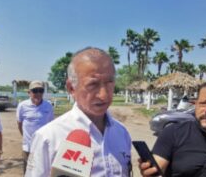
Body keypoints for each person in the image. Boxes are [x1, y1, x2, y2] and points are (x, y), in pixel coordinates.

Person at [26, 48, 132, 176]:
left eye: (109, 82)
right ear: (71, 88)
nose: (104, 95)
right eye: (93, 84)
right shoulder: (48, 138)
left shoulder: (122, 133)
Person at [16, 81, 54, 173]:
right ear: (29, 92)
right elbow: (19, 124)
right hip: (28, 147)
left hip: (44, 147)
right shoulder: (22, 106)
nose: (38, 93)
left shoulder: (48, 106)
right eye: (35, 91)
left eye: (41, 91)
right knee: (28, 172)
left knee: (43, 171)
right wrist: (26, 138)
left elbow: (51, 125)